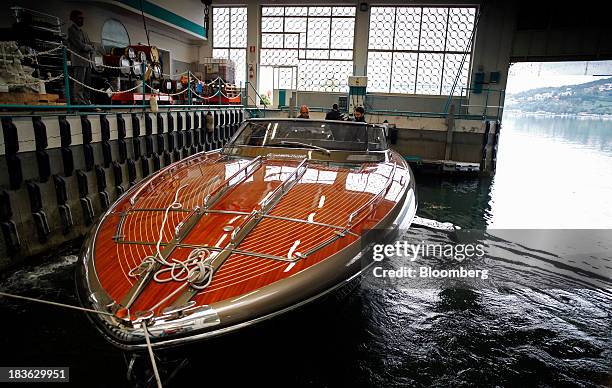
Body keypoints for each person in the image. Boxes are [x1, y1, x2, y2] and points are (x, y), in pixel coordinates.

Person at [67, 10, 94, 105]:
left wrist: (89, 47)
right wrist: (90, 47)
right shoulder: (72, 30)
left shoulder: (84, 32)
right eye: (80, 18)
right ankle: (81, 103)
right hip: (79, 61)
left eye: (82, 18)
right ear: (74, 19)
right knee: (79, 84)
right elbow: (80, 46)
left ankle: (87, 102)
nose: (82, 20)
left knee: (87, 85)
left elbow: (90, 45)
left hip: (87, 62)